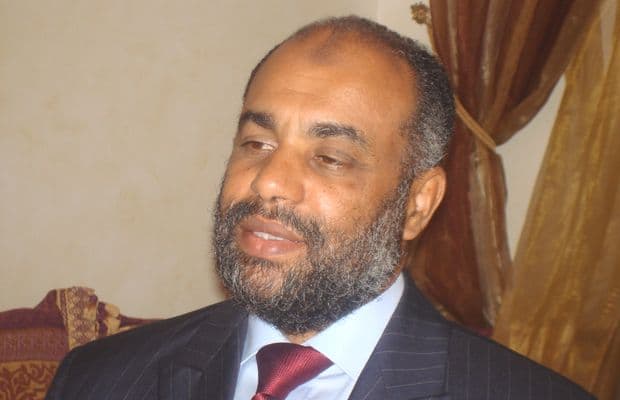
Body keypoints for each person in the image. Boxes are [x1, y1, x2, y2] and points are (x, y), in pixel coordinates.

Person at [45, 16, 594, 400]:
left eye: (330, 157)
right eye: (256, 143)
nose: (268, 181)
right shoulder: (98, 380)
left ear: (418, 204)